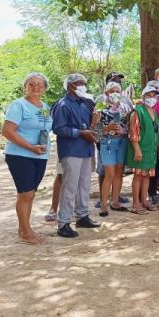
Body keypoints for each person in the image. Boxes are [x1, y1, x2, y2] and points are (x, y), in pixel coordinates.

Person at [2, 72, 52, 245]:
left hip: (40, 155)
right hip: (20, 155)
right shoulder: (18, 105)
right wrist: (30, 147)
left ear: (45, 88)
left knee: (29, 195)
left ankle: (23, 228)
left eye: (40, 84)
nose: (36, 87)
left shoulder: (45, 106)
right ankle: (26, 233)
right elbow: (7, 131)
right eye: (31, 84)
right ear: (25, 86)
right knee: (26, 193)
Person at [51, 73, 101, 238]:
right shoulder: (62, 104)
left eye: (84, 83)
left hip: (86, 149)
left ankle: (82, 216)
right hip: (71, 150)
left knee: (84, 185)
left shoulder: (83, 104)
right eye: (80, 83)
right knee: (70, 187)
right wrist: (80, 133)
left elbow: (90, 127)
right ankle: (64, 222)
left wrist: (94, 122)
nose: (83, 86)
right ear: (71, 86)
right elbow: (58, 128)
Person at [94, 72, 133, 209]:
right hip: (107, 143)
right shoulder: (100, 106)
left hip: (122, 142)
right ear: (106, 92)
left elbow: (131, 125)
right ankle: (104, 204)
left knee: (119, 173)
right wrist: (106, 128)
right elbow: (95, 130)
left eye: (117, 91)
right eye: (111, 91)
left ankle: (115, 202)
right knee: (108, 173)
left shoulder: (126, 107)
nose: (115, 93)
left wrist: (125, 131)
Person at [126, 85, 159, 214]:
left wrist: (158, 146)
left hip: (150, 150)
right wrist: (137, 149)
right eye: (148, 95)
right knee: (138, 176)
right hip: (140, 149)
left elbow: (156, 131)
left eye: (154, 96)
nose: (151, 98)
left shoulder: (154, 112)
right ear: (143, 96)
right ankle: (135, 204)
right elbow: (133, 132)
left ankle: (144, 201)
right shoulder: (138, 111)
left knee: (146, 176)